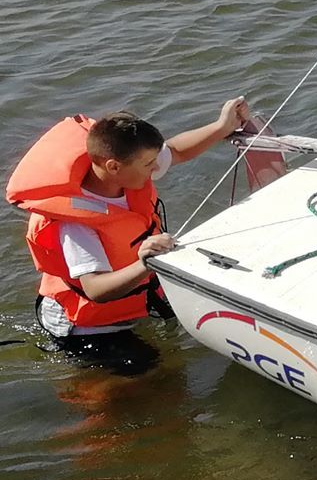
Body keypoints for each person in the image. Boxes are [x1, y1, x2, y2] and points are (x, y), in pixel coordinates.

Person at [6, 100, 251, 374]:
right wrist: (144, 263)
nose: (156, 168)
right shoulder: (76, 224)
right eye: (149, 164)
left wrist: (222, 127)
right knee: (151, 373)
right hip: (85, 326)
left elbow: (176, 151)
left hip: (130, 297)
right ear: (113, 167)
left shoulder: (128, 168)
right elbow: (95, 290)